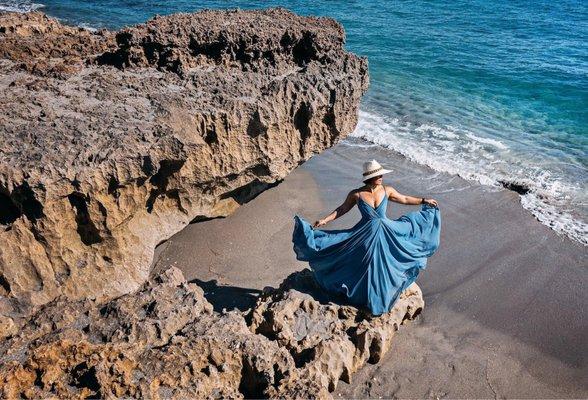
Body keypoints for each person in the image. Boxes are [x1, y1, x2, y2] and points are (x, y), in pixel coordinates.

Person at [292, 159, 441, 316]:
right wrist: (324, 220)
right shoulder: (356, 194)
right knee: (363, 261)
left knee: (383, 262)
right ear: (371, 177)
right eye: (379, 175)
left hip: (386, 231)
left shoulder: (387, 190)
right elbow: (342, 209)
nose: (382, 177)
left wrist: (424, 200)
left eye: (382, 174)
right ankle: (365, 295)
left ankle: (379, 296)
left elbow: (403, 199)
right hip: (365, 233)